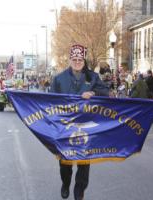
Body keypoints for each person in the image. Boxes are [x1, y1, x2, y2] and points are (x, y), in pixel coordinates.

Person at [50, 44, 109, 200]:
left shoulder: (93, 77)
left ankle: (79, 191)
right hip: (65, 126)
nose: (77, 62)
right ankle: (65, 183)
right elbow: (50, 102)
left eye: (80, 59)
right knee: (65, 163)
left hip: (86, 126)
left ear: (84, 60)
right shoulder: (58, 79)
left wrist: (93, 92)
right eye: (74, 59)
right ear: (70, 60)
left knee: (84, 163)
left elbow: (106, 93)